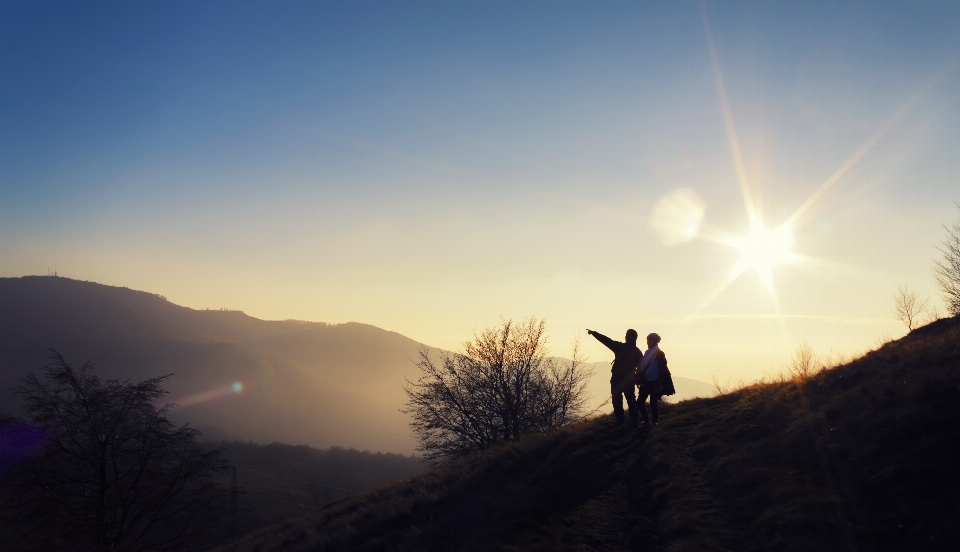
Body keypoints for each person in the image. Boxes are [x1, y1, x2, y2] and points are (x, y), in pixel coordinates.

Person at [586, 328, 640, 427]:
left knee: (620, 400)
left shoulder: (620, 347)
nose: (627, 337)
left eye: (628, 335)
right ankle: (633, 422)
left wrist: (594, 333)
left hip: (618, 379)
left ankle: (622, 421)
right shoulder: (637, 352)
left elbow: (606, 340)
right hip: (626, 380)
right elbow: (640, 369)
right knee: (628, 401)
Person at [637, 332, 668, 428]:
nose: (647, 342)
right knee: (644, 402)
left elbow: (662, 370)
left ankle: (652, 422)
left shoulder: (659, 354)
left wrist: (658, 384)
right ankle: (649, 422)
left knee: (651, 403)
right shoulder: (649, 352)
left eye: (649, 340)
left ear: (654, 340)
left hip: (653, 382)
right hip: (647, 381)